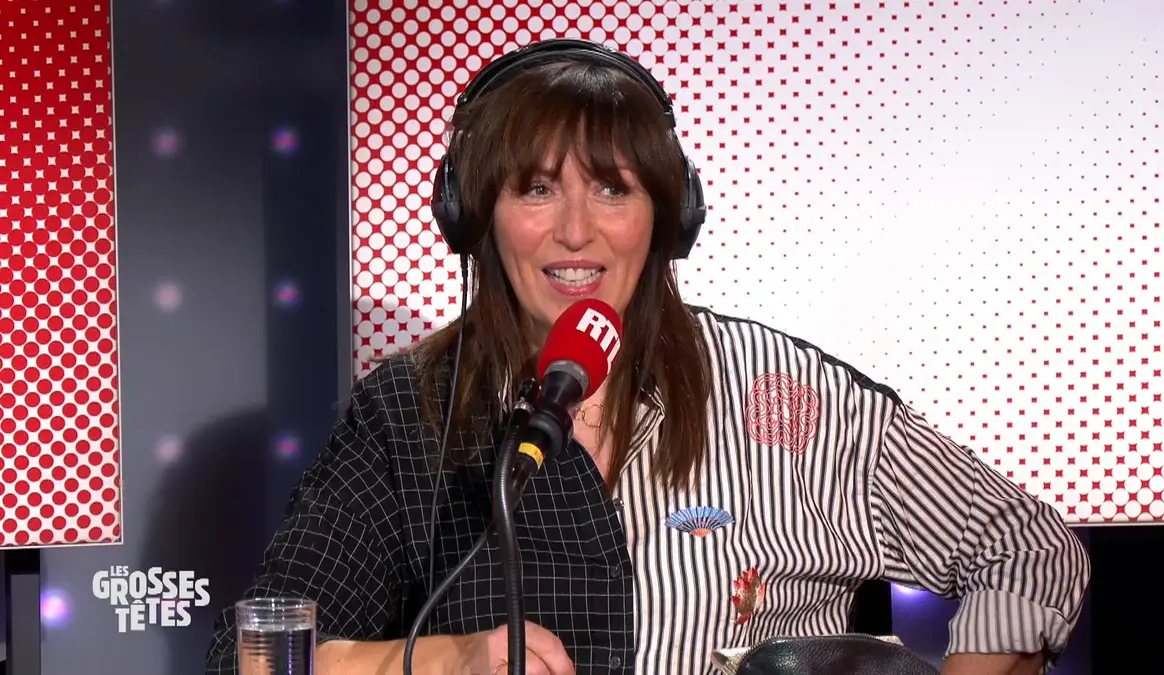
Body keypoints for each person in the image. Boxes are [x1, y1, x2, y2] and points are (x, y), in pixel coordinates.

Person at [205, 39, 1089, 675]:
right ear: (474, 216)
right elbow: (255, 655)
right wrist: (447, 657)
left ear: (667, 216)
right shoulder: (412, 408)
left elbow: (1028, 548)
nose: (575, 231)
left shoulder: (784, 394)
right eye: (536, 188)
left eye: (612, 189)